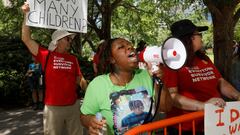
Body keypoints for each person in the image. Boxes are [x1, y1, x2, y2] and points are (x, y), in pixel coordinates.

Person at [80, 38, 172, 135]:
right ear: (112, 59)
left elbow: (166, 108)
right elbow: (84, 116)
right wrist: (91, 121)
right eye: (121, 47)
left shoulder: (147, 76)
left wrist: (159, 82)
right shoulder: (98, 85)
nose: (130, 47)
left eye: (130, 45)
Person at [163, 19, 240, 135]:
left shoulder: (204, 58)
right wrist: (203, 106)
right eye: (199, 34)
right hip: (186, 127)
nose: (201, 37)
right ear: (190, 38)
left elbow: (220, 81)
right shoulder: (172, 63)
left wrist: (237, 95)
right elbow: (172, 96)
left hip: (212, 123)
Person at [21, 2, 88, 135]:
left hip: (73, 106)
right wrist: (26, 14)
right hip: (53, 108)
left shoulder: (73, 59)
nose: (70, 41)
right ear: (58, 41)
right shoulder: (46, 55)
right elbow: (26, 39)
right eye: (68, 39)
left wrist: (91, 92)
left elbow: (79, 79)